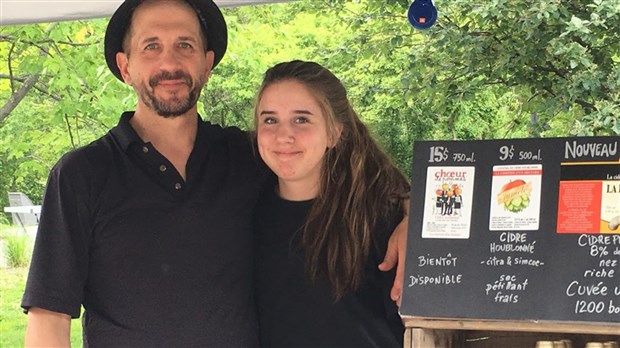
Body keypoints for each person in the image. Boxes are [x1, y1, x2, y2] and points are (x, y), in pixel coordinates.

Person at [21, 1, 407, 346]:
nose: (169, 63)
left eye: (184, 45)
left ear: (207, 63)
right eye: (151, 46)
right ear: (126, 66)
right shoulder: (82, 174)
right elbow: (48, 317)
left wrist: (412, 216)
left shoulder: (248, 157)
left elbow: (355, 178)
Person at [253, 60, 410, 347]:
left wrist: (416, 218)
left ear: (335, 132)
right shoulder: (245, 208)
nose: (283, 135)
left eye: (301, 119)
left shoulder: (377, 216)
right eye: (270, 119)